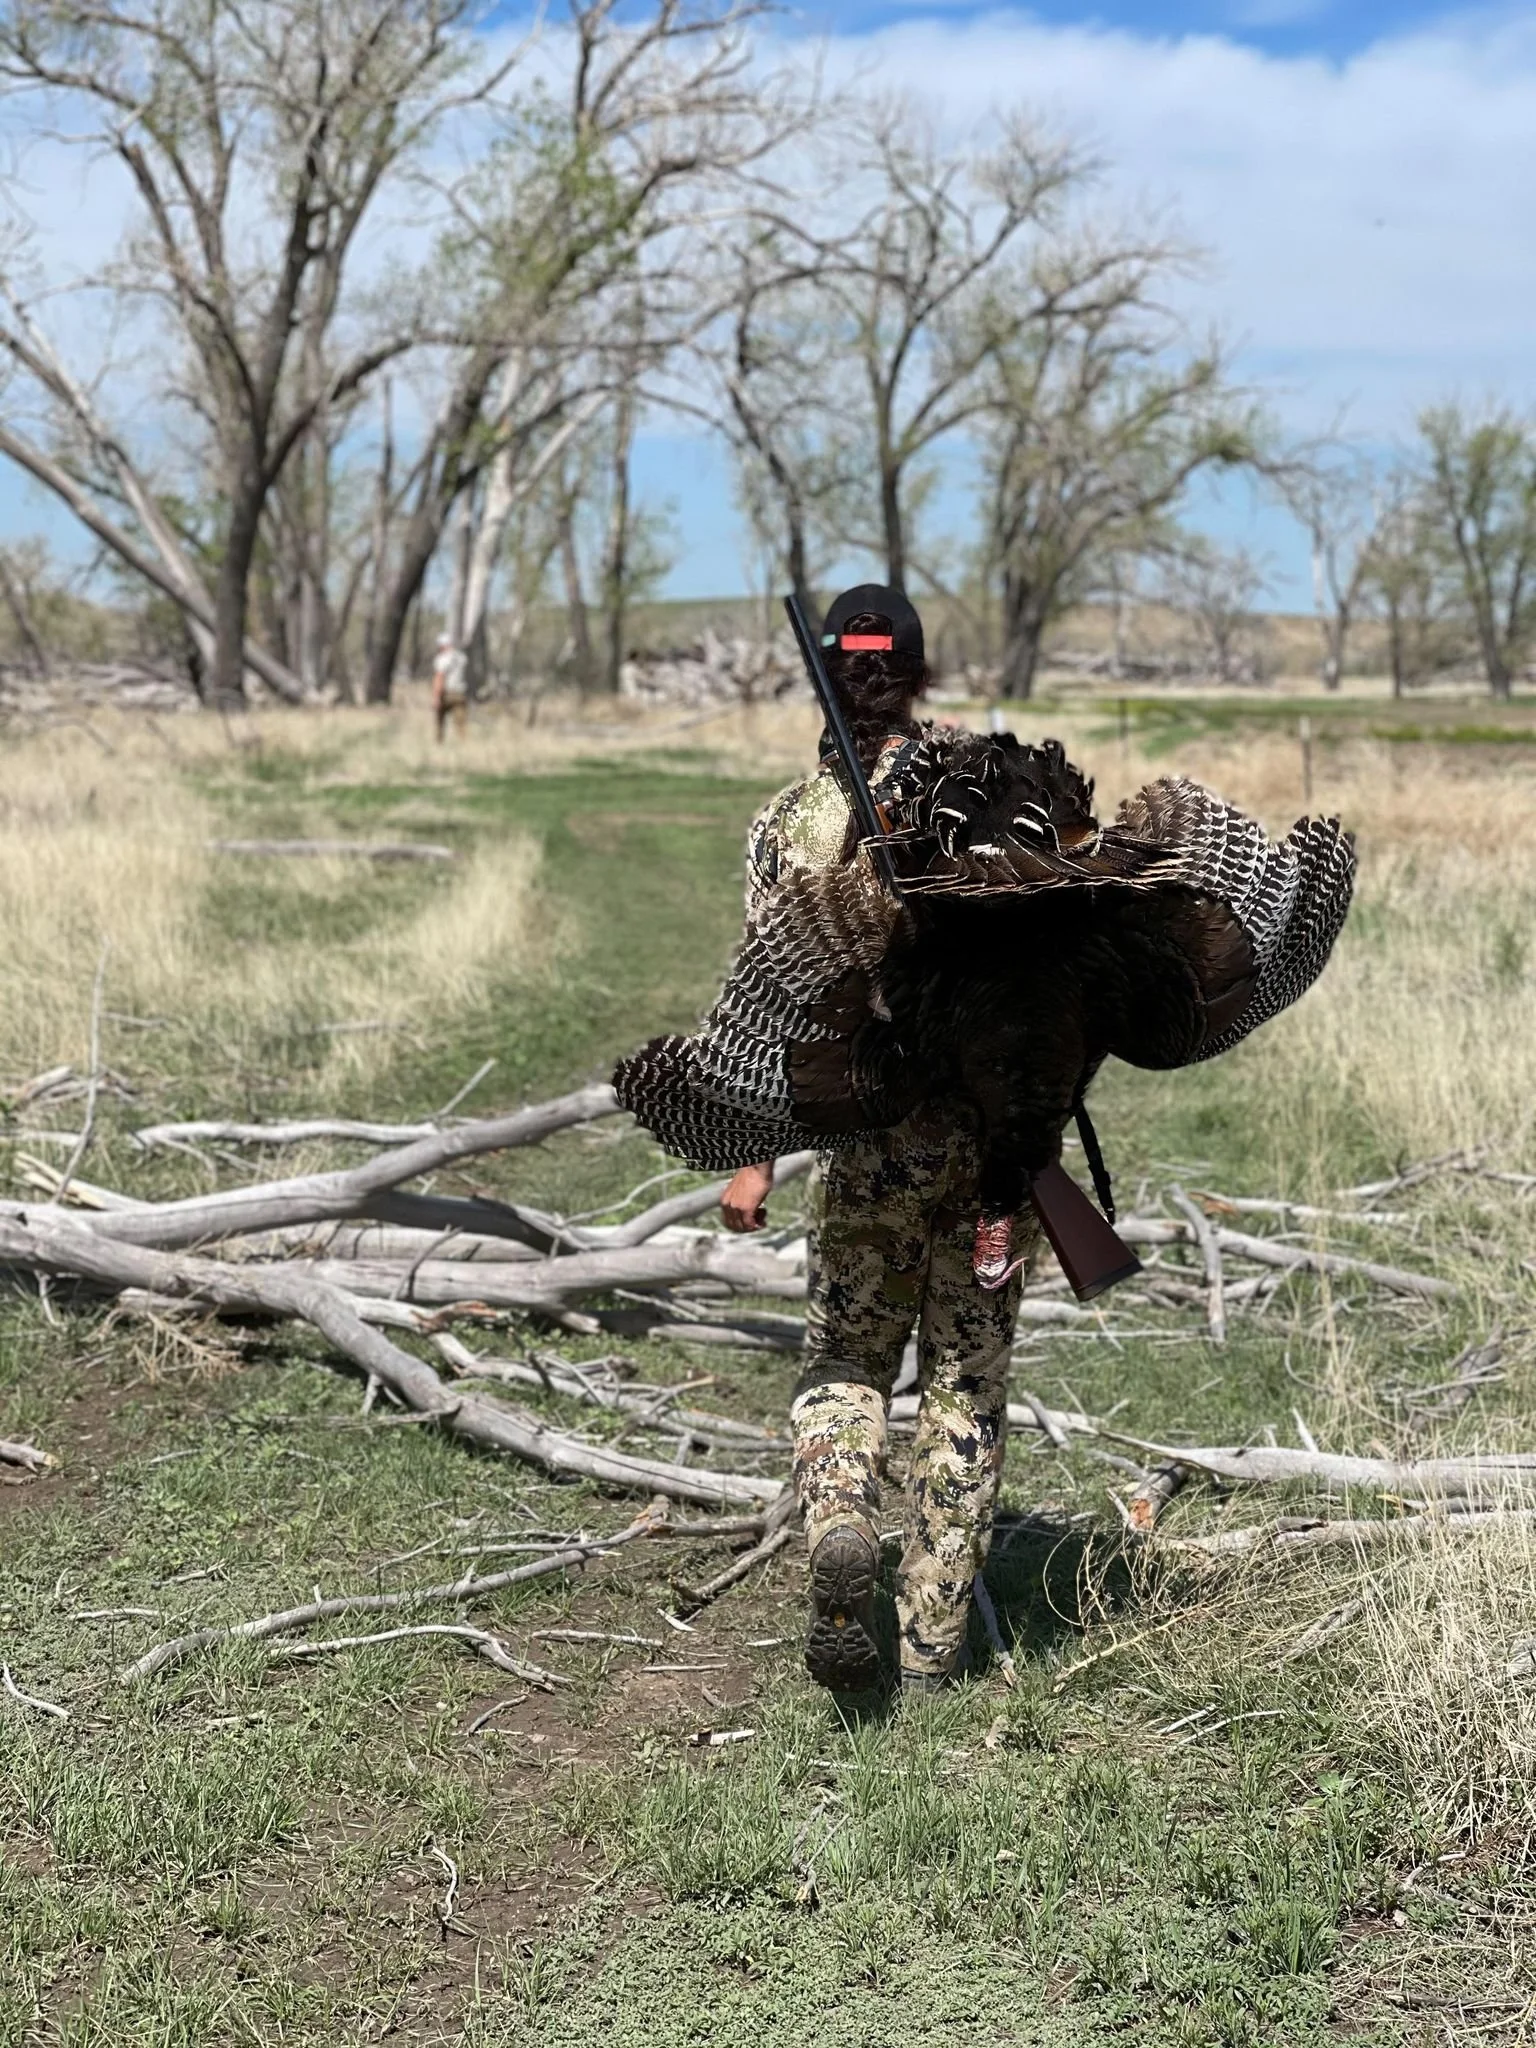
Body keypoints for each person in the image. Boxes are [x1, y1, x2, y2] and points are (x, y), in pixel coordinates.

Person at [720, 584, 1040, 1697]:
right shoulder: (1001, 794)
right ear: (919, 671)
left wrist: (756, 1152)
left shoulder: (784, 825)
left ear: (828, 677)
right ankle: (932, 1645)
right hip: (995, 1144)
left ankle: (844, 1514)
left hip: (865, 1146)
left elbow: (770, 1000)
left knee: (850, 1359)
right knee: (967, 1380)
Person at [431, 632, 469, 741]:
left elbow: (439, 678)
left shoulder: (442, 659)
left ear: (443, 645)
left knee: (440, 721)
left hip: (446, 693)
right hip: (460, 693)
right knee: (461, 723)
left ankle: (439, 743)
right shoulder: (462, 657)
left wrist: (436, 697)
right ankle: (464, 745)